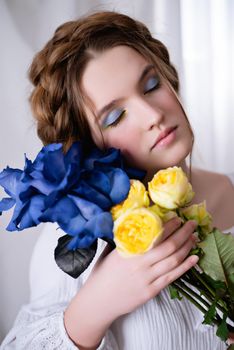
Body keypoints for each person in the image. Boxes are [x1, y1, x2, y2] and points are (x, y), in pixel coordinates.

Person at [1, 11, 234, 350]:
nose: (153, 115)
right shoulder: (80, 241)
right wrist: (91, 310)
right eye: (115, 116)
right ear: (88, 146)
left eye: (152, 85)